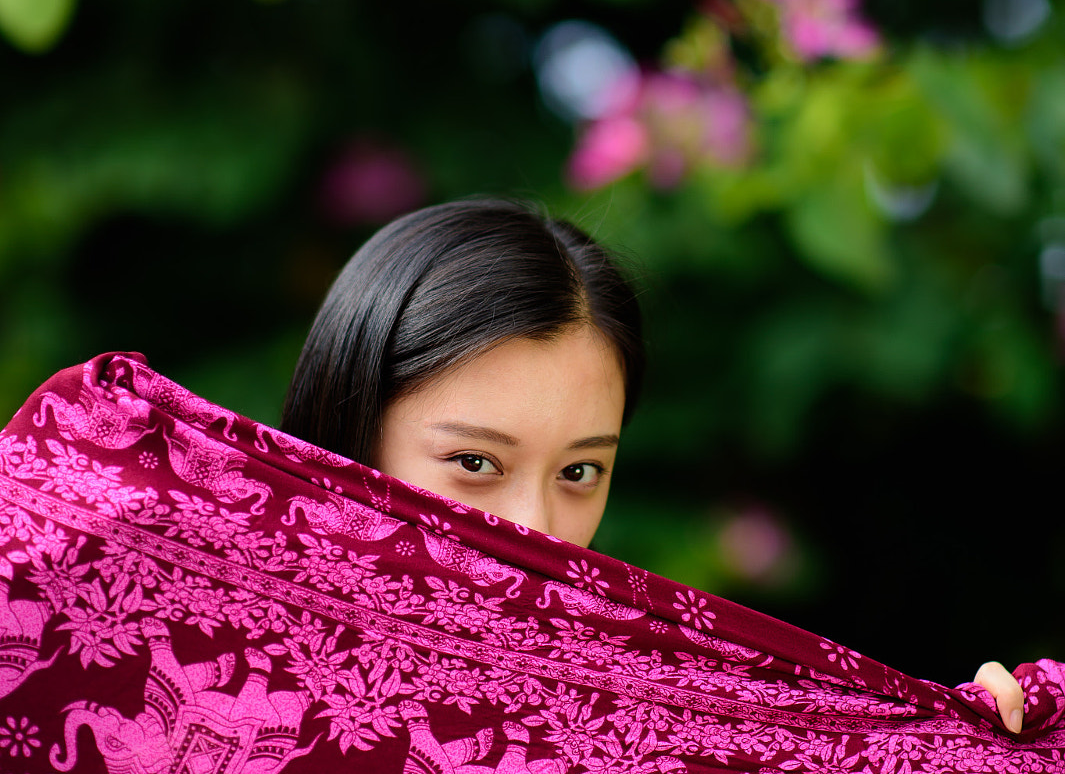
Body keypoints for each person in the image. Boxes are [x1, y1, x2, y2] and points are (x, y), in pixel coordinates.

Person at [281, 194, 1026, 733]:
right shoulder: (203, 664)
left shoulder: (639, 728)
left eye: (579, 473)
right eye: (474, 460)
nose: (535, 532)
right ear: (351, 431)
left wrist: (967, 752)